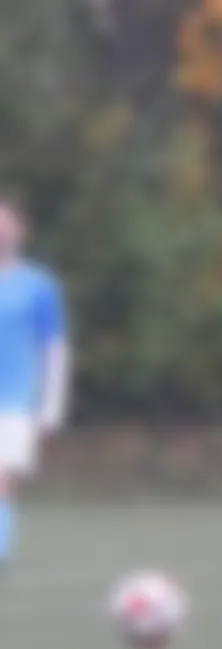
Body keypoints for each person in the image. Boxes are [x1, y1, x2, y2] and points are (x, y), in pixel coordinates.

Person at [0, 196, 69, 570]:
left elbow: (54, 347)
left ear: (19, 232)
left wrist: (51, 406)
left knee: (2, 477)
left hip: (16, 401)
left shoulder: (38, 286)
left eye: (6, 224)